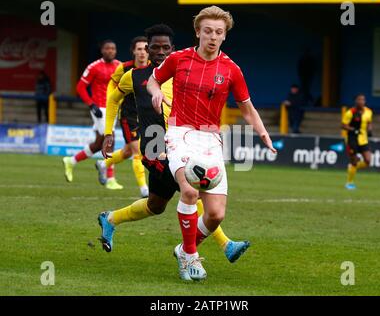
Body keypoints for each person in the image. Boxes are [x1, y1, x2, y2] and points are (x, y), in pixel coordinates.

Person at [98, 24, 250, 280]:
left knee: (156, 205)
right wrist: (108, 133)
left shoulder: (182, 71)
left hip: (183, 145)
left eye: (165, 47)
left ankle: (110, 219)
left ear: (173, 49)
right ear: (147, 48)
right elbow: (113, 99)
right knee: (193, 189)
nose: (159, 52)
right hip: (155, 148)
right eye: (154, 47)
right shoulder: (135, 77)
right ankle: (219, 246)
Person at [147, 6, 276, 281]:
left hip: (211, 138)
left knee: (216, 214)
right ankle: (191, 259)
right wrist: (156, 92)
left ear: (225, 36)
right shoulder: (179, 59)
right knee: (189, 193)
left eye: (219, 32)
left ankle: (184, 249)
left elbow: (247, 107)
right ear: (198, 32)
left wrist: (263, 133)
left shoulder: (231, 69)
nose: (213, 36)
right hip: (179, 132)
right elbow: (152, 80)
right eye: (208, 31)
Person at [62, 40, 123, 190]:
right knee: (110, 139)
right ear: (102, 50)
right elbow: (80, 87)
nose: (110, 51)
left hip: (113, 107)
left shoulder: (120, 66)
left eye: (113, 48)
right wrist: (91, 104)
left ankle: (71, 161)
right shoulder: (94, 67)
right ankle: (110, 178)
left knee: (98, 144)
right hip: (99, 109)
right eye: (107, 48)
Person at [95, 36, 149, 198]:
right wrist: (112, 99)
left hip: (145, 116)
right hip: (128, 116)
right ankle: (144, 189)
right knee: (138, 151)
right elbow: (112, 84)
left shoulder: (153, 68)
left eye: (145, 49)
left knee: (127, 152)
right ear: (133, 51)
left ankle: (103, 163)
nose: (142, 52)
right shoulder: (124, 68)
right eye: (138, 49)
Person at [342, 93, 373, 190]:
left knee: (368, 161)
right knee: (354, 160)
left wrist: (370, 129)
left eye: (363, 100)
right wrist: (353, 130)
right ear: (356, 101)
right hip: (352, 139)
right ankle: (349, 182)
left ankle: (352, 167)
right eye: (359, 100)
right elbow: (343, 125)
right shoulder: (350, 112)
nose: (361, 101)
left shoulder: (368, 111)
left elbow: (369, 122)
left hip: (363, 139)